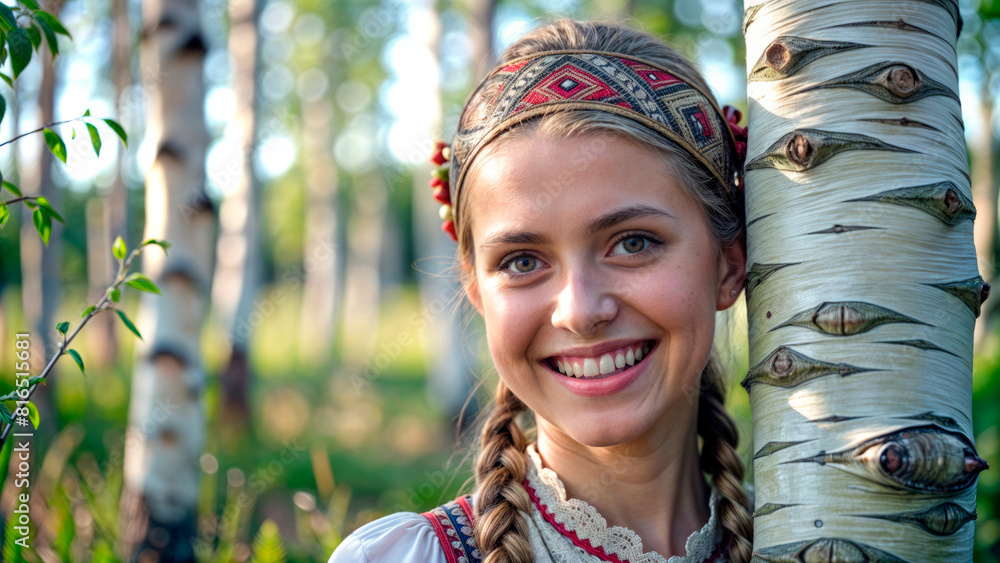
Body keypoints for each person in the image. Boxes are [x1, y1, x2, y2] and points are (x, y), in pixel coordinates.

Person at [330, 16, 755, 563]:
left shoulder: (830, 535)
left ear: (728, 265)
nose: (579, 310)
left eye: (633, 244)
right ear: (477, 289)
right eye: (523, 260)